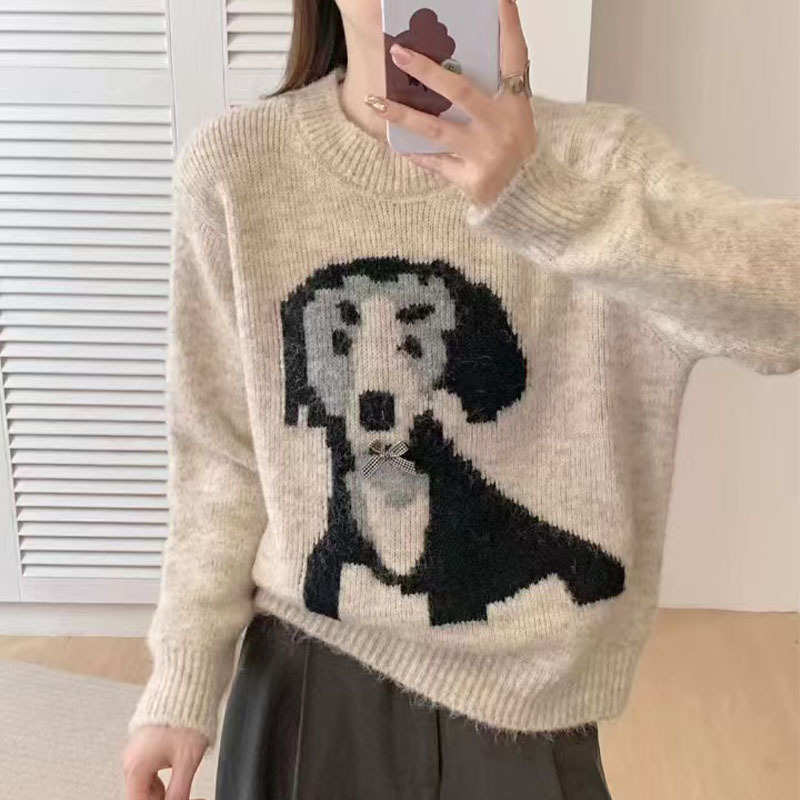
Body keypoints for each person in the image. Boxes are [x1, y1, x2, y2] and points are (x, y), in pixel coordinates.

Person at [121, 0, 800, 797]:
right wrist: (184, 676)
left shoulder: (602, 160)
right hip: (309, 671)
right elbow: (220, 455)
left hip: (533, 701)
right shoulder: (236, 169)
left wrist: (544, 200)